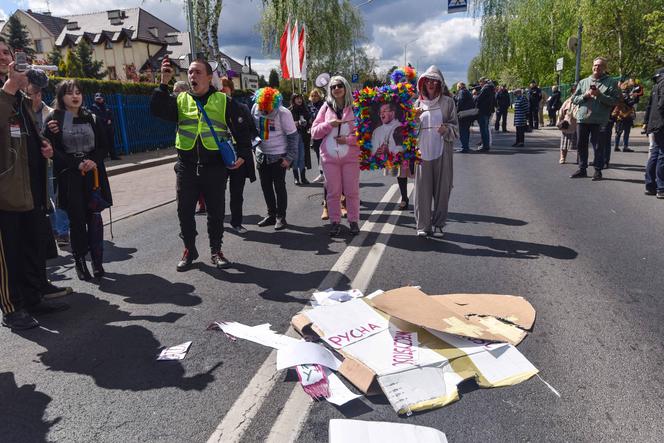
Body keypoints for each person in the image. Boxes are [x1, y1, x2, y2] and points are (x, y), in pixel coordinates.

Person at [150, 57, 250, 271]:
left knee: (215, 212)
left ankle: (216, 251)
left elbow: (244, 128)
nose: (192, 76)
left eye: (197, 72)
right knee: (184, 211)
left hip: (214, 167)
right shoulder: (180, 99)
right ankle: (189, 249)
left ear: (208, 76)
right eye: (190, 73)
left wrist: (242, 152)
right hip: (186, 166)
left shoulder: (224, 101)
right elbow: (156, 110)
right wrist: (163, 82)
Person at [1, 38, 70, 330]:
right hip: (4, 192)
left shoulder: (17, 94)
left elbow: (25, 129)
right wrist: (9, 89)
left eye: (6, 52)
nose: (5, 57)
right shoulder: (8, 92)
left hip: (28, 185)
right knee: (8, 253)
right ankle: (11, 306)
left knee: (31, 244)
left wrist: (44, 145)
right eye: (0, 54)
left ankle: (33, 295)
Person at [43, 79, 114, 280]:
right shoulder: (56, 119)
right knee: (77, 221)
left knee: (94, 218)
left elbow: (104, 145)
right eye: (69, 93)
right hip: (70, 176)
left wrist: (92, 161)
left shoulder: (91, 117)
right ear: (61, 97)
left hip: (93, 175)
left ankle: (98, 262)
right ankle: (80, 262)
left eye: (78, 92)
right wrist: (76, 164)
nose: (75, 96)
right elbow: (51, 149)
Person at [311, 75, 360, 237]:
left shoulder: (355, 107)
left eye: (339, 85)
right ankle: (335, 222)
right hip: (329, 158)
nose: (336, 89)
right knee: (333, 192)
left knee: (352, 191)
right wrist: (328, 125)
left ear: (345, 87)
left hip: (350, 157)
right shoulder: (325, 108)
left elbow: (364, 135)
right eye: (333, 87)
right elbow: (314, 132)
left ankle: (353, 221)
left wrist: (348, 140)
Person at [413, 65, 458, 237]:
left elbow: (456, 128)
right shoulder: (417, 104)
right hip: (422, 153)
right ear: (422, 83)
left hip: (442, 153)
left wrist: (446, 129)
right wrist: (415, 119)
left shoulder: (448, 103)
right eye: (428, 81)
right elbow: (408, 131)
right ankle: (423, 226)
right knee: (422, 192)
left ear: (439, 84)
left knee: (442, 190)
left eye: (434, 81)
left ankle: (438, 224)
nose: (431, 84)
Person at [26, 82, 72, 249]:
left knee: (55, 195)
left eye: (33, 94)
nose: (30, 97)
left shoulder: (52, 114)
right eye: (28, 94)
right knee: (43, 198)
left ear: (39, 95)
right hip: (32, 163)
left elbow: (67, 138)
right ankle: (53, 228)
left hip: (52, 161)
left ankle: (62, 231)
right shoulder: (23, 112)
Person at [251, 87, 297, 231]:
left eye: (268, 110)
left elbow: (293, 137)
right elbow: (252, 129)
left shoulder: (284, 113)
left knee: (279, 187)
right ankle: (271, 214)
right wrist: (254, 148)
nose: (264, 112)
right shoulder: (255, 108)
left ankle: (281, 217)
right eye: (262, 109)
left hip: (278, 156)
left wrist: (289, 158)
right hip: (261, 155)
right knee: (266, 187)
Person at [570, 57, 620, 181]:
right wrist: (585, 96)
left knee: (598, 146)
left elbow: (615, 100)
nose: (597, 67)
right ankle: (582, 169)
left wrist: (600, 95)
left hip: (599, 120)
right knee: (581, 145)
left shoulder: (611, 82)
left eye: (600, 66)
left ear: (604, 68)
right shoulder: (583, 82)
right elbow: (574, 99)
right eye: (595, 65)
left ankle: (598, 171)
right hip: (583, 119)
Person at [219, 77, 257, 234]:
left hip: (238, 158)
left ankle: (237, 222)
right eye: (218, 88)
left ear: (230, 89)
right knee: (217, 193)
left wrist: (243, 156)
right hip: (218, 159)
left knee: (236, 193)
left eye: (224, 87)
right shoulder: (211, 110)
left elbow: (252, 133)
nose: (221, 91)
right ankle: (218, 221)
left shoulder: (241, 108)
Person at [644, 67, 664, 198]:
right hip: (662, 124)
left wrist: (647, 123)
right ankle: (661, 188)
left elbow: (649, 107)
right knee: (662, 155)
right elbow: (662, 105)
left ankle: (650, 185)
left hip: (655, 124)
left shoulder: (655, 87)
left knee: (655, 154)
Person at [289, 93, 312, 185]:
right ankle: (296, 178)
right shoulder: (289, 111)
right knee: (295, 157)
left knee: (302, 157)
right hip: (294, 137)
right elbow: (286, 125)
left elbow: (310, 121)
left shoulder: (305, 109)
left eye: (300, 99)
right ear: (293, 99)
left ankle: (303, 178)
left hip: (303, 136)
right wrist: (297, 123)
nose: (299, 100)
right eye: (297, 98)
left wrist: (308, 122)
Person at [91, 92, 120, 160]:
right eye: (97, 99)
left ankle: (113, 156)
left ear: (103, 99)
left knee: (111, 142)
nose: (99, 100)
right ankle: (103, 157)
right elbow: (96, 117)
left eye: (100, 98)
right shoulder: (93, 107)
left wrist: (110, 119)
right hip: (100, 128)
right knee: (103, 143)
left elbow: (111, 115)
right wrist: (105, 120)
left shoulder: (106, 106)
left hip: (109, 127)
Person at [308, 88, 325, 184]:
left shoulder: (324, 106)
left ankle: (327, 173)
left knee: (325, 154)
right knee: (318, 154)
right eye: (312, 95)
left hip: (323, 133)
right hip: (314, 134)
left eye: (316, 95)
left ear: (319, 96)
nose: (314, 97)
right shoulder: (308, 106)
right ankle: (321, 174)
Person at [557, 84, 578, 164]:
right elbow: (561, 112)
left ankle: (579, 159)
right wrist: (560, 123)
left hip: (578, 126)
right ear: (572, 92)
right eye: (574, 92)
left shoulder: (584, 101)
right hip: (568, 125)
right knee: (564, 144)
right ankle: (562, 157)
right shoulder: (567, 102)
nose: (575, 93)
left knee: (579, 144)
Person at [613, 80, 636, 153]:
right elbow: (629, 103)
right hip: (625, 114)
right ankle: (624, 146)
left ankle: (616, 146)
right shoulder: (625, 93)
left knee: (619, 131)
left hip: (621, 114)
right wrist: (635, 98)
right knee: (625, 131)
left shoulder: (620, 93)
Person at [454, 81, 474, 153]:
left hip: (463, 114)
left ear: (459, 87)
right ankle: (466, 146)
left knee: (463, 131)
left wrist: (457, 111)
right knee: (466, 131)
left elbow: (460, 101)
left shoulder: (461, 92)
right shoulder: (467, 91)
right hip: (469, 114)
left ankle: (464, 147)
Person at [475, 77, 494, 151]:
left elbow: (479, 99)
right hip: (487, 111)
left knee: (484, 130)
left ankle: (485, 146)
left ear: (483, 82)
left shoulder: (485, 89)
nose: (480, 83)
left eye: (480, 82)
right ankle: (486, 145)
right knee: (485, 129)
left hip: (483, 111)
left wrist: (476, 96)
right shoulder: (490, 89)